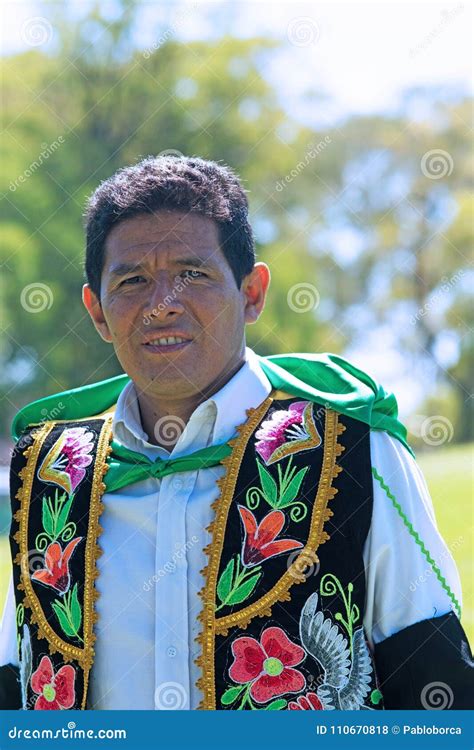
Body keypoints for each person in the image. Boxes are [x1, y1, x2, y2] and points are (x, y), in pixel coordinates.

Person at [0, 156, 471, 711]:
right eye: (132, 281)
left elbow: (442, 695)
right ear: (97, 311)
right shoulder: (50, 472)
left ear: (252, 293)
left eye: (193, 274)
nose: (162, 305)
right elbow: (19, 693)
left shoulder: (355, 448)